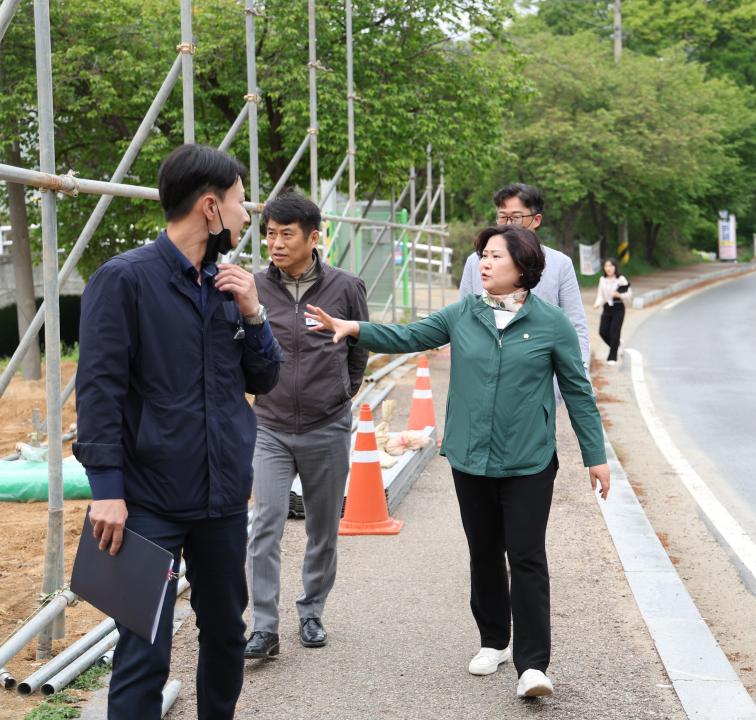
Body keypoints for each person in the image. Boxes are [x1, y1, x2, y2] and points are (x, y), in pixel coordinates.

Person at [305, 225, 610, 699]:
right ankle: (494, 640)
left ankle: (532, 666)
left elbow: (578, 390)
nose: (483, 264)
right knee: (484, 551)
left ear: (522, 266)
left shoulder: (551, 324)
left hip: (529, 460)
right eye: (482, 256)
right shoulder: (463, 313)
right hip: (471, 457)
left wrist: (596, 456)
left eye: (493, 256)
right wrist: (354, 329)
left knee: (526, 557)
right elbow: (408, 335)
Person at [73, 144, 283, 718]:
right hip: (147, 501)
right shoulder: (125, 281)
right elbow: (99, 391)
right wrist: (107, 490)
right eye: (242, 203)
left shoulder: (230, 285)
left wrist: (254, 313)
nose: (247, 216)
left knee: (224, 634)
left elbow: (263, 377)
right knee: (145, 648)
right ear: (210, 208)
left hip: (219, 497)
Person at [244, 192, 369, 660]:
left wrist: (342, 394)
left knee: (322, 528)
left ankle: (312, 611)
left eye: (286, 234)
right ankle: (264, 626)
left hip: (327, 425)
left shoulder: (345, 286)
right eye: (270, 234)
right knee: (265, 524)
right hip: (270, 425)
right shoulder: (255, 286)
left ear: (314, 238)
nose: (275, 243)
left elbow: (359, 348)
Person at [459, 183, 590, 370]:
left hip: (541, 378)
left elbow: (576, 325)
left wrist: (580, 378)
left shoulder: (560, 264)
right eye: (502, 217)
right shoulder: (476, 261)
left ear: (536, 220)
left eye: (516, 217)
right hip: (486, 371)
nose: (508, 225)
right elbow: (463, 318)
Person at [592, 258, 631, 365]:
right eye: (606, 266)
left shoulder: (621, 279)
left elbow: (629, 294)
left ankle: (612, 357)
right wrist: (597, 303)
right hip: (607, 308)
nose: (608, 268)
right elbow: (600, 295)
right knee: (603, 331)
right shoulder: (602, 280)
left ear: (615, 267)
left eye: (611, 266)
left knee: (614, 331)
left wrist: (619, 295)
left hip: (618, 308)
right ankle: (618, 344)